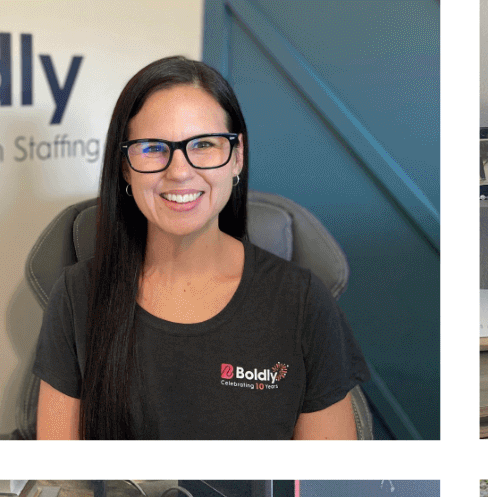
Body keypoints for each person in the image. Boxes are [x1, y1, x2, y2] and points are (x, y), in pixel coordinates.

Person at [37, 57, 366, 439]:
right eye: (153, 148)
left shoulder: (303, 302)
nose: (179, 171)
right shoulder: (78, 296)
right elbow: (60, 481)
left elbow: (322, 489)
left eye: (204, 145)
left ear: (237, 156)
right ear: (124, 166)